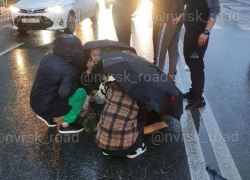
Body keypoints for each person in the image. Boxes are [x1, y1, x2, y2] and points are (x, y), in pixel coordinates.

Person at [30, 34, 87, 134]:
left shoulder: (47, 57)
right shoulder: (69, 69)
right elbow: (64, 93)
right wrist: (74, 84)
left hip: (35, 102)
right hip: (47, 107)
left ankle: (46, 116)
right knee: (81, 92)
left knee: (50, 89)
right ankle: (66, 125)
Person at [180, 0, 220, 110]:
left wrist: (206, 32)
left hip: (200, 33)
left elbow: (214, 12)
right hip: (190, 30)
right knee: (189, 60)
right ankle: (193, 91)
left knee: (196, 64)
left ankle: (199, 98)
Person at [96, 81, 147, 159]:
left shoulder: (112, 87)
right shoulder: (139, 93)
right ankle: (137, 148)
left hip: (102, 145)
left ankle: (107, 149)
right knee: (142, 113)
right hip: (127, 148)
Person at [151, 0, 184, 80]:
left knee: (161, 48)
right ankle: (171, 75)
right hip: (179, 17)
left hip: (169, 17)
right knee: (173, 47)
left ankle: (158, 75)